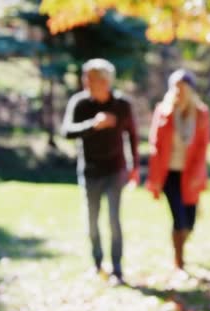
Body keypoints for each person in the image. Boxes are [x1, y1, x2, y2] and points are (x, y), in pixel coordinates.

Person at [61, 58, 140, 283]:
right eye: (85, 77)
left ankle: (117, 268)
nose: (86, 82)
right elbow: (66, 131)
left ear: (105, 81)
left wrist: (134, 166)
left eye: (91, 78)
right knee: (92, 222)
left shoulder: (121, 105)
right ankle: (97, 263)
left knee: (114, 220)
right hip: (90, 171)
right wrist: (93, 124)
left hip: (115, 171)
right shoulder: (80, 103)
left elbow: (132, 135)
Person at [146, 69, 210, 272]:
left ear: (191, 90)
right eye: (176, 88)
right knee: (179, 219)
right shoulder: (163, 111)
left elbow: (203, 146)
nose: (179, 92)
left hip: (190, 174)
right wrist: (154, 178)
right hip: (169, 174)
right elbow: (155, 144)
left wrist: (197, 174)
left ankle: (182, 244)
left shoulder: (201, 114)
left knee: (189, 222)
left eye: (183, 88)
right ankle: (179, 261)